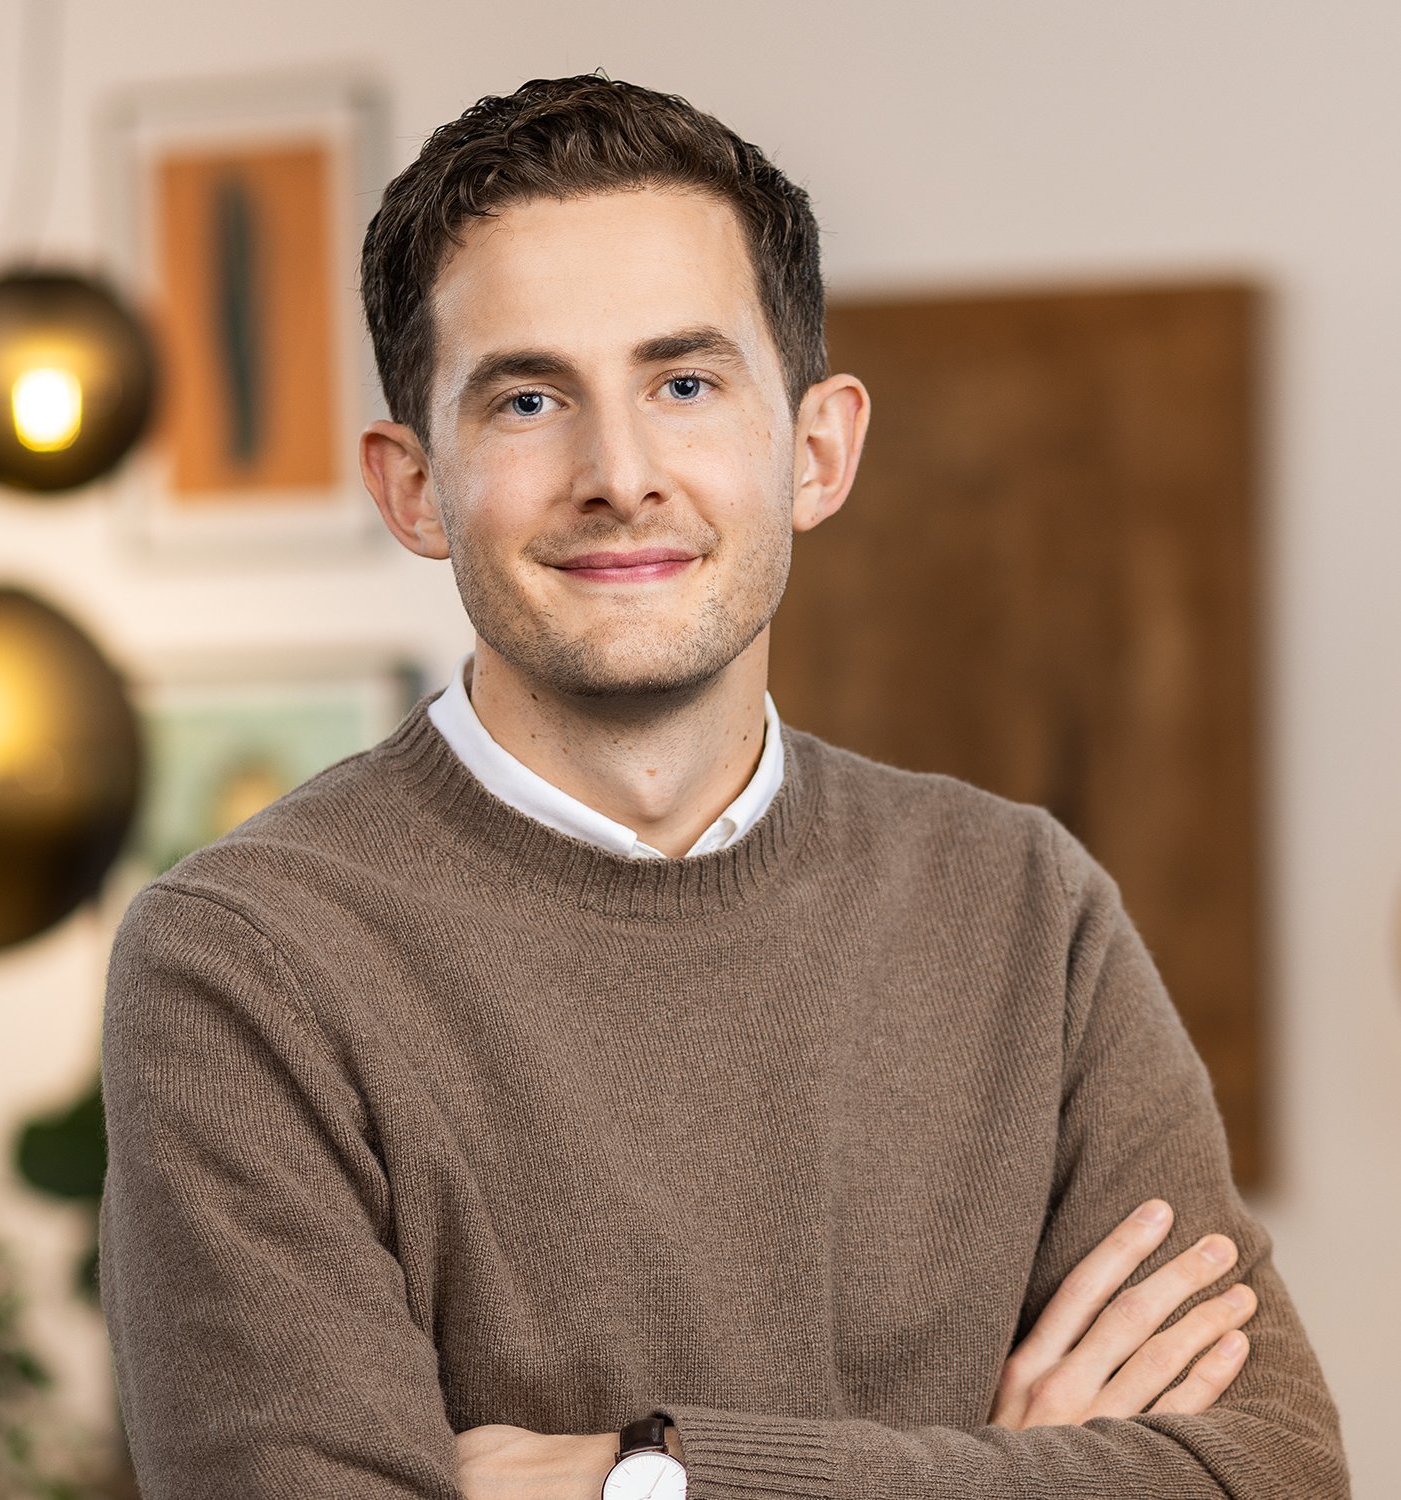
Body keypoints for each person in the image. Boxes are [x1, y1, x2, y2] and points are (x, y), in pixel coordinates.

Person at [97, 74, 1349, 1499]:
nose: (619, 475)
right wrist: (1014, 1473)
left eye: (684, 384)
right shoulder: (246, 963)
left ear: (816, 450)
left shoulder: (1022, 904)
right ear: (414, 488)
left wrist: (652, 1478)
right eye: (527, 399)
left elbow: (1270, 1474)